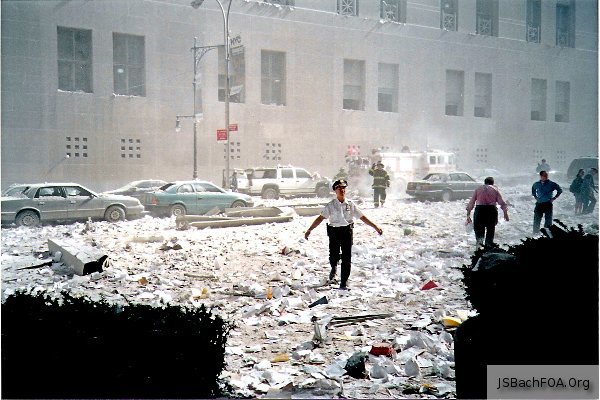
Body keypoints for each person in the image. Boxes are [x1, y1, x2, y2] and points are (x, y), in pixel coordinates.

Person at [304, 179, 383, 290]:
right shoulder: (331, 205)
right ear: (335, 191)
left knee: (347, 258)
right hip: (334, 232)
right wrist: (309, 230)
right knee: (334, 255)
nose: (342, 190)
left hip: (347, 231)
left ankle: (343, 283)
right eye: (339, 188)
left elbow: (362, 217)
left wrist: (375, 227)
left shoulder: (350, 205)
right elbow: (321, 218)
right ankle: (334, 267)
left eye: (343, 188)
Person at [466, 177, 509, 248]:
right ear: (492, 183)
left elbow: (471, 203)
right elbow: (502, 203)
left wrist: (468, 215)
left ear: (485, 182)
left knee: (479, 231)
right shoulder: (495, 190)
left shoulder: (478, 189)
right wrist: (505, 214)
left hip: (479, 211)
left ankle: (479, 248)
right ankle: (488, 247)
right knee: (490, 230)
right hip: (491, 211)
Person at [531, 170, 562, 234]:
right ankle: (535, 233)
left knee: (548, 220)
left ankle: (547, 233)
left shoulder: (552, 184)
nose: (546, 177)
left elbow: (560, 190)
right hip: (539, 204)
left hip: (548, 204)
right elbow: (533, 190)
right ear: (541, 176)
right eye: (544, 175)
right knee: (537, 219)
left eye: (547, 175)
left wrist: (554, 198)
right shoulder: (537, 184)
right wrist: (535, 197)